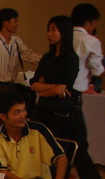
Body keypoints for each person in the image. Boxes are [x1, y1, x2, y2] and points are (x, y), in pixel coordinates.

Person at [0, 91, 68, 179]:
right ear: (3, 116)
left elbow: (61, 158)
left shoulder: (39, 130)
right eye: (17, 112)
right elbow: (0, 171)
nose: (23, 115)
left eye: (24, 110)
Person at [70, 3, 104, 179]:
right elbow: (98, 69)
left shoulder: (65, 36)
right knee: (80, 140)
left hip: (58, 92)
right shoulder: (90, 40)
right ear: (90, 22)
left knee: (66, 139)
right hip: (74, 95)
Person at [30, 16, 79, 144]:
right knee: (34, 143)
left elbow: (60, 89)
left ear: (64, 31)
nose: (49, 34)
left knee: (54, 145)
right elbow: (34, 84)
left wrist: (44, 88)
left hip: (61, 110)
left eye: (53, 30)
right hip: (42, 107)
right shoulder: (47, 57)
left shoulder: (71, 58)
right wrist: (51, 88)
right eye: (48, 30)